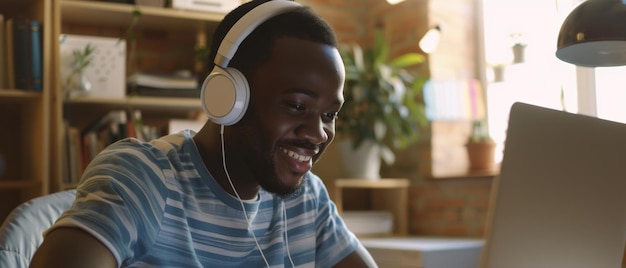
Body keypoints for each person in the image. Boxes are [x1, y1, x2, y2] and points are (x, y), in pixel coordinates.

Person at [30, 0, 378, 267]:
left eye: (330, 114)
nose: (318, 134)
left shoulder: (306, 199)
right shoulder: (146, 177)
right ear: (228, 97)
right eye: (297, 106)